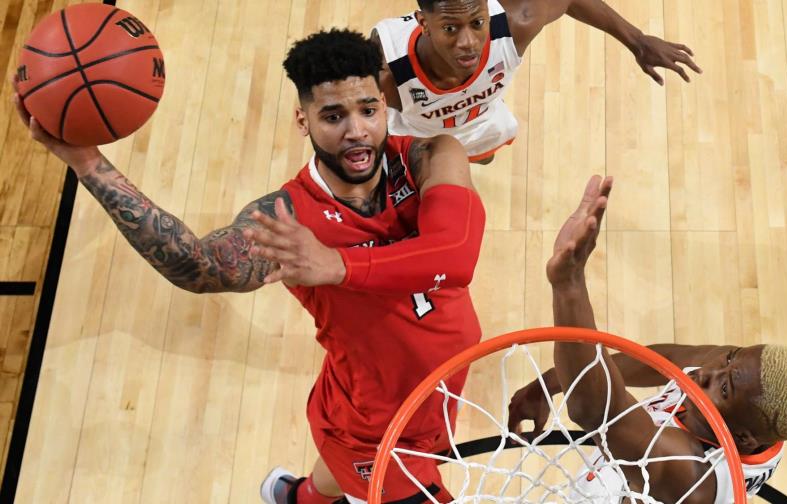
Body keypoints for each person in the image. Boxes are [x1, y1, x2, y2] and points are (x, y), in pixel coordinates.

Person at [13, 29, 486, 504]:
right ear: (303, 120)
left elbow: (455, 256)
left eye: (367, 110)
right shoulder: (287, 220)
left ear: (384, 105)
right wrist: (88, 163)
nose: (356, 131)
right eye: (332, 116)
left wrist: (337, 264)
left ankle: (296, 497)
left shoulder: (430, 157)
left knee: (334, 475)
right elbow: (197, 265)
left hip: (438, 387)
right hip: (375, 425)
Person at [507, 175, 787, 502]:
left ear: (742, 440)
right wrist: (548, 383)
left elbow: (597, 412)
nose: (707, 371)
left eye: (723, 388)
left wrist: (569, 285)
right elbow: (663, 362)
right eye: (730, 359)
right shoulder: (741, 386)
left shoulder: (692, 475)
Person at [373, 0, 702, 163]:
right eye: (450, 29)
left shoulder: (516, 23)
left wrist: (637, 41)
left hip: (480, 124)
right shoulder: (386, 70)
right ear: (423, 23)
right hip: (416, 139)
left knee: (485, 158)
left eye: (477, 23)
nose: (468, 43)